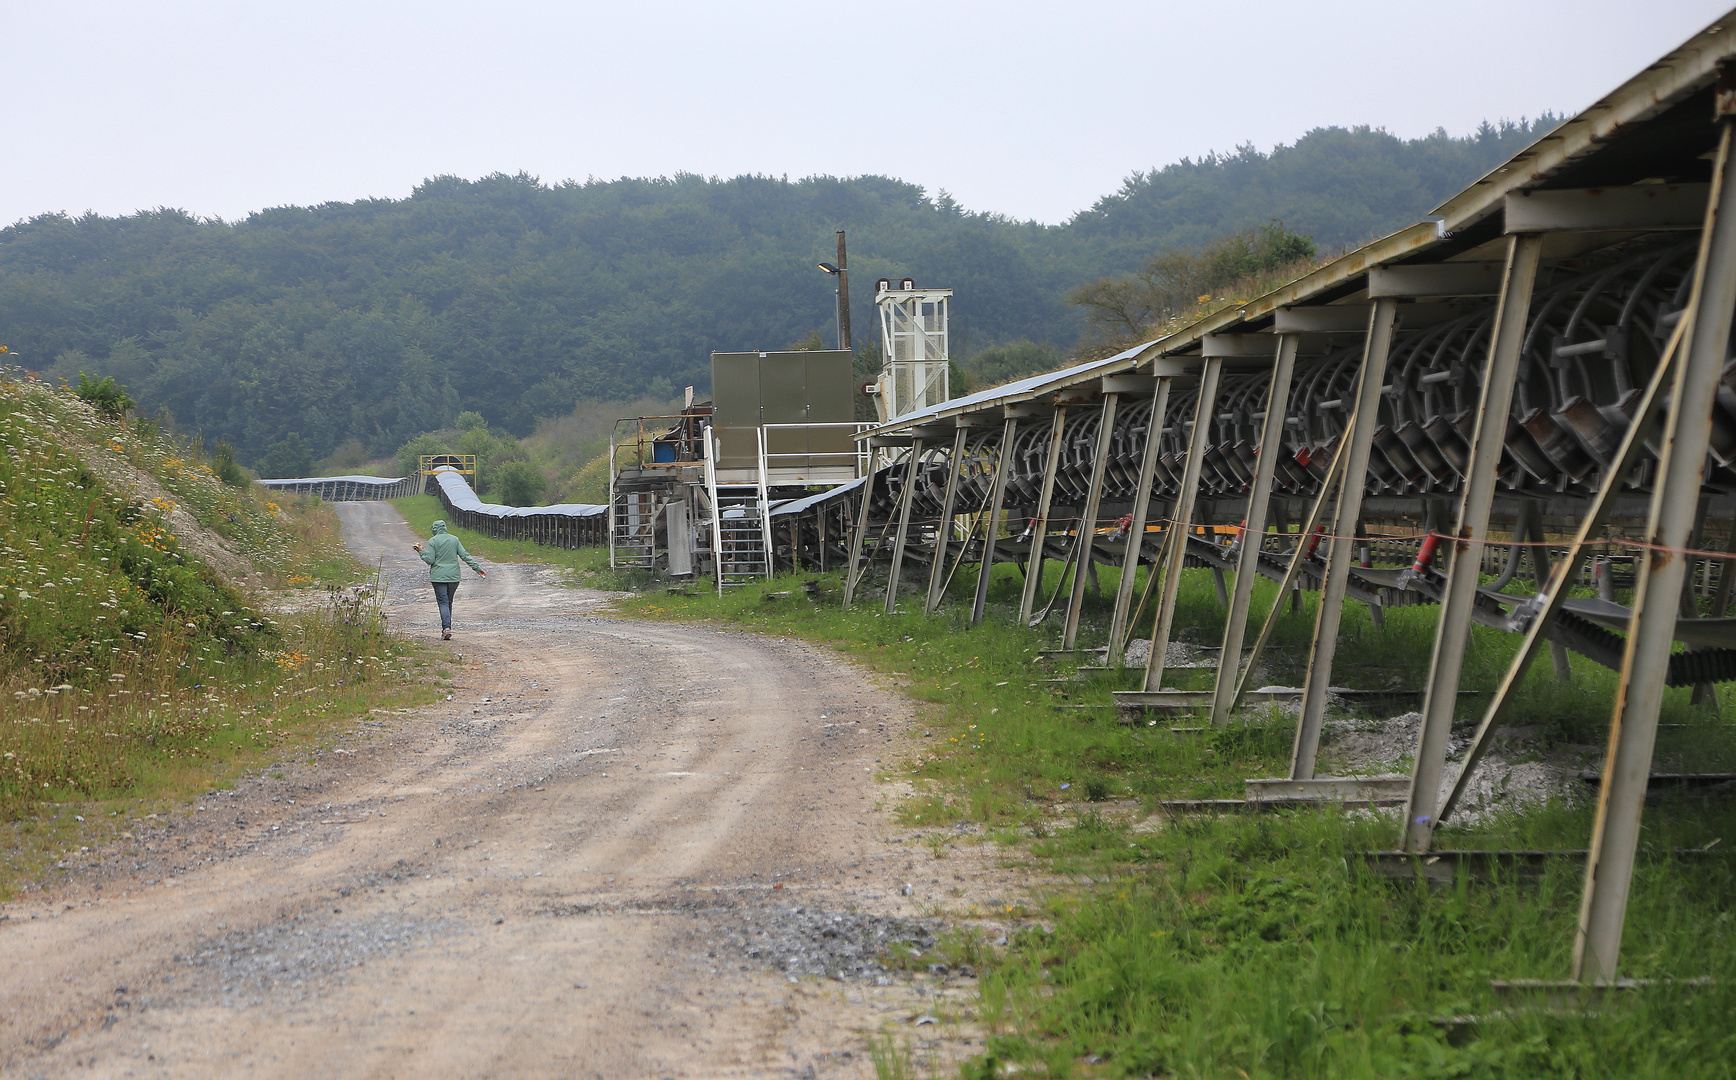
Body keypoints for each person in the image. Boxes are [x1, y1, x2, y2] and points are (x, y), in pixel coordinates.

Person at [413, 520, 485, 640]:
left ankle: (446, 628)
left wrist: (420, 552)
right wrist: (477, 569)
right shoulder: (454, 539)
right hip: (453, 577)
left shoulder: (433, 541)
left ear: (434, 529)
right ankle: (447, 628)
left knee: (443, 602)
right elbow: (465, 555)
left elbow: (430, 560)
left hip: (438, 577)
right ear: (445, 528)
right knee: (448, 602)